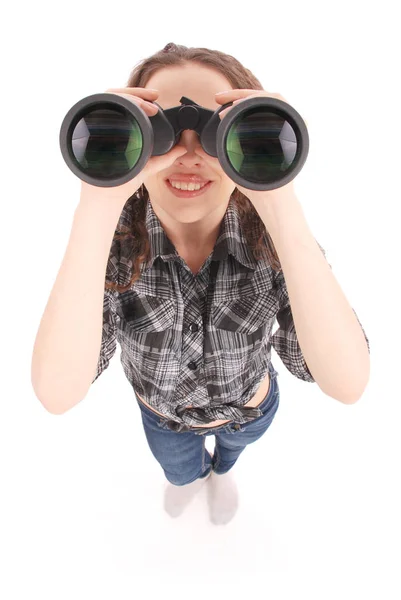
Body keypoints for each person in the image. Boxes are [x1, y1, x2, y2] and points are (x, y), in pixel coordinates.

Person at [31, 43, 370, 525]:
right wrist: (99, 199)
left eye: (218, 132)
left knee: (233, 451)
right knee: (177, 469)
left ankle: (224, 469)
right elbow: (56, 394)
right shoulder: (112, 246)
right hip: (162, 417)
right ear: (134, 137)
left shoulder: (273, 242)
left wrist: (277, 192)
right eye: (160, 134)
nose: (189, 155)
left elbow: (347, 383)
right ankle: (188, 478)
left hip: (251, 407)